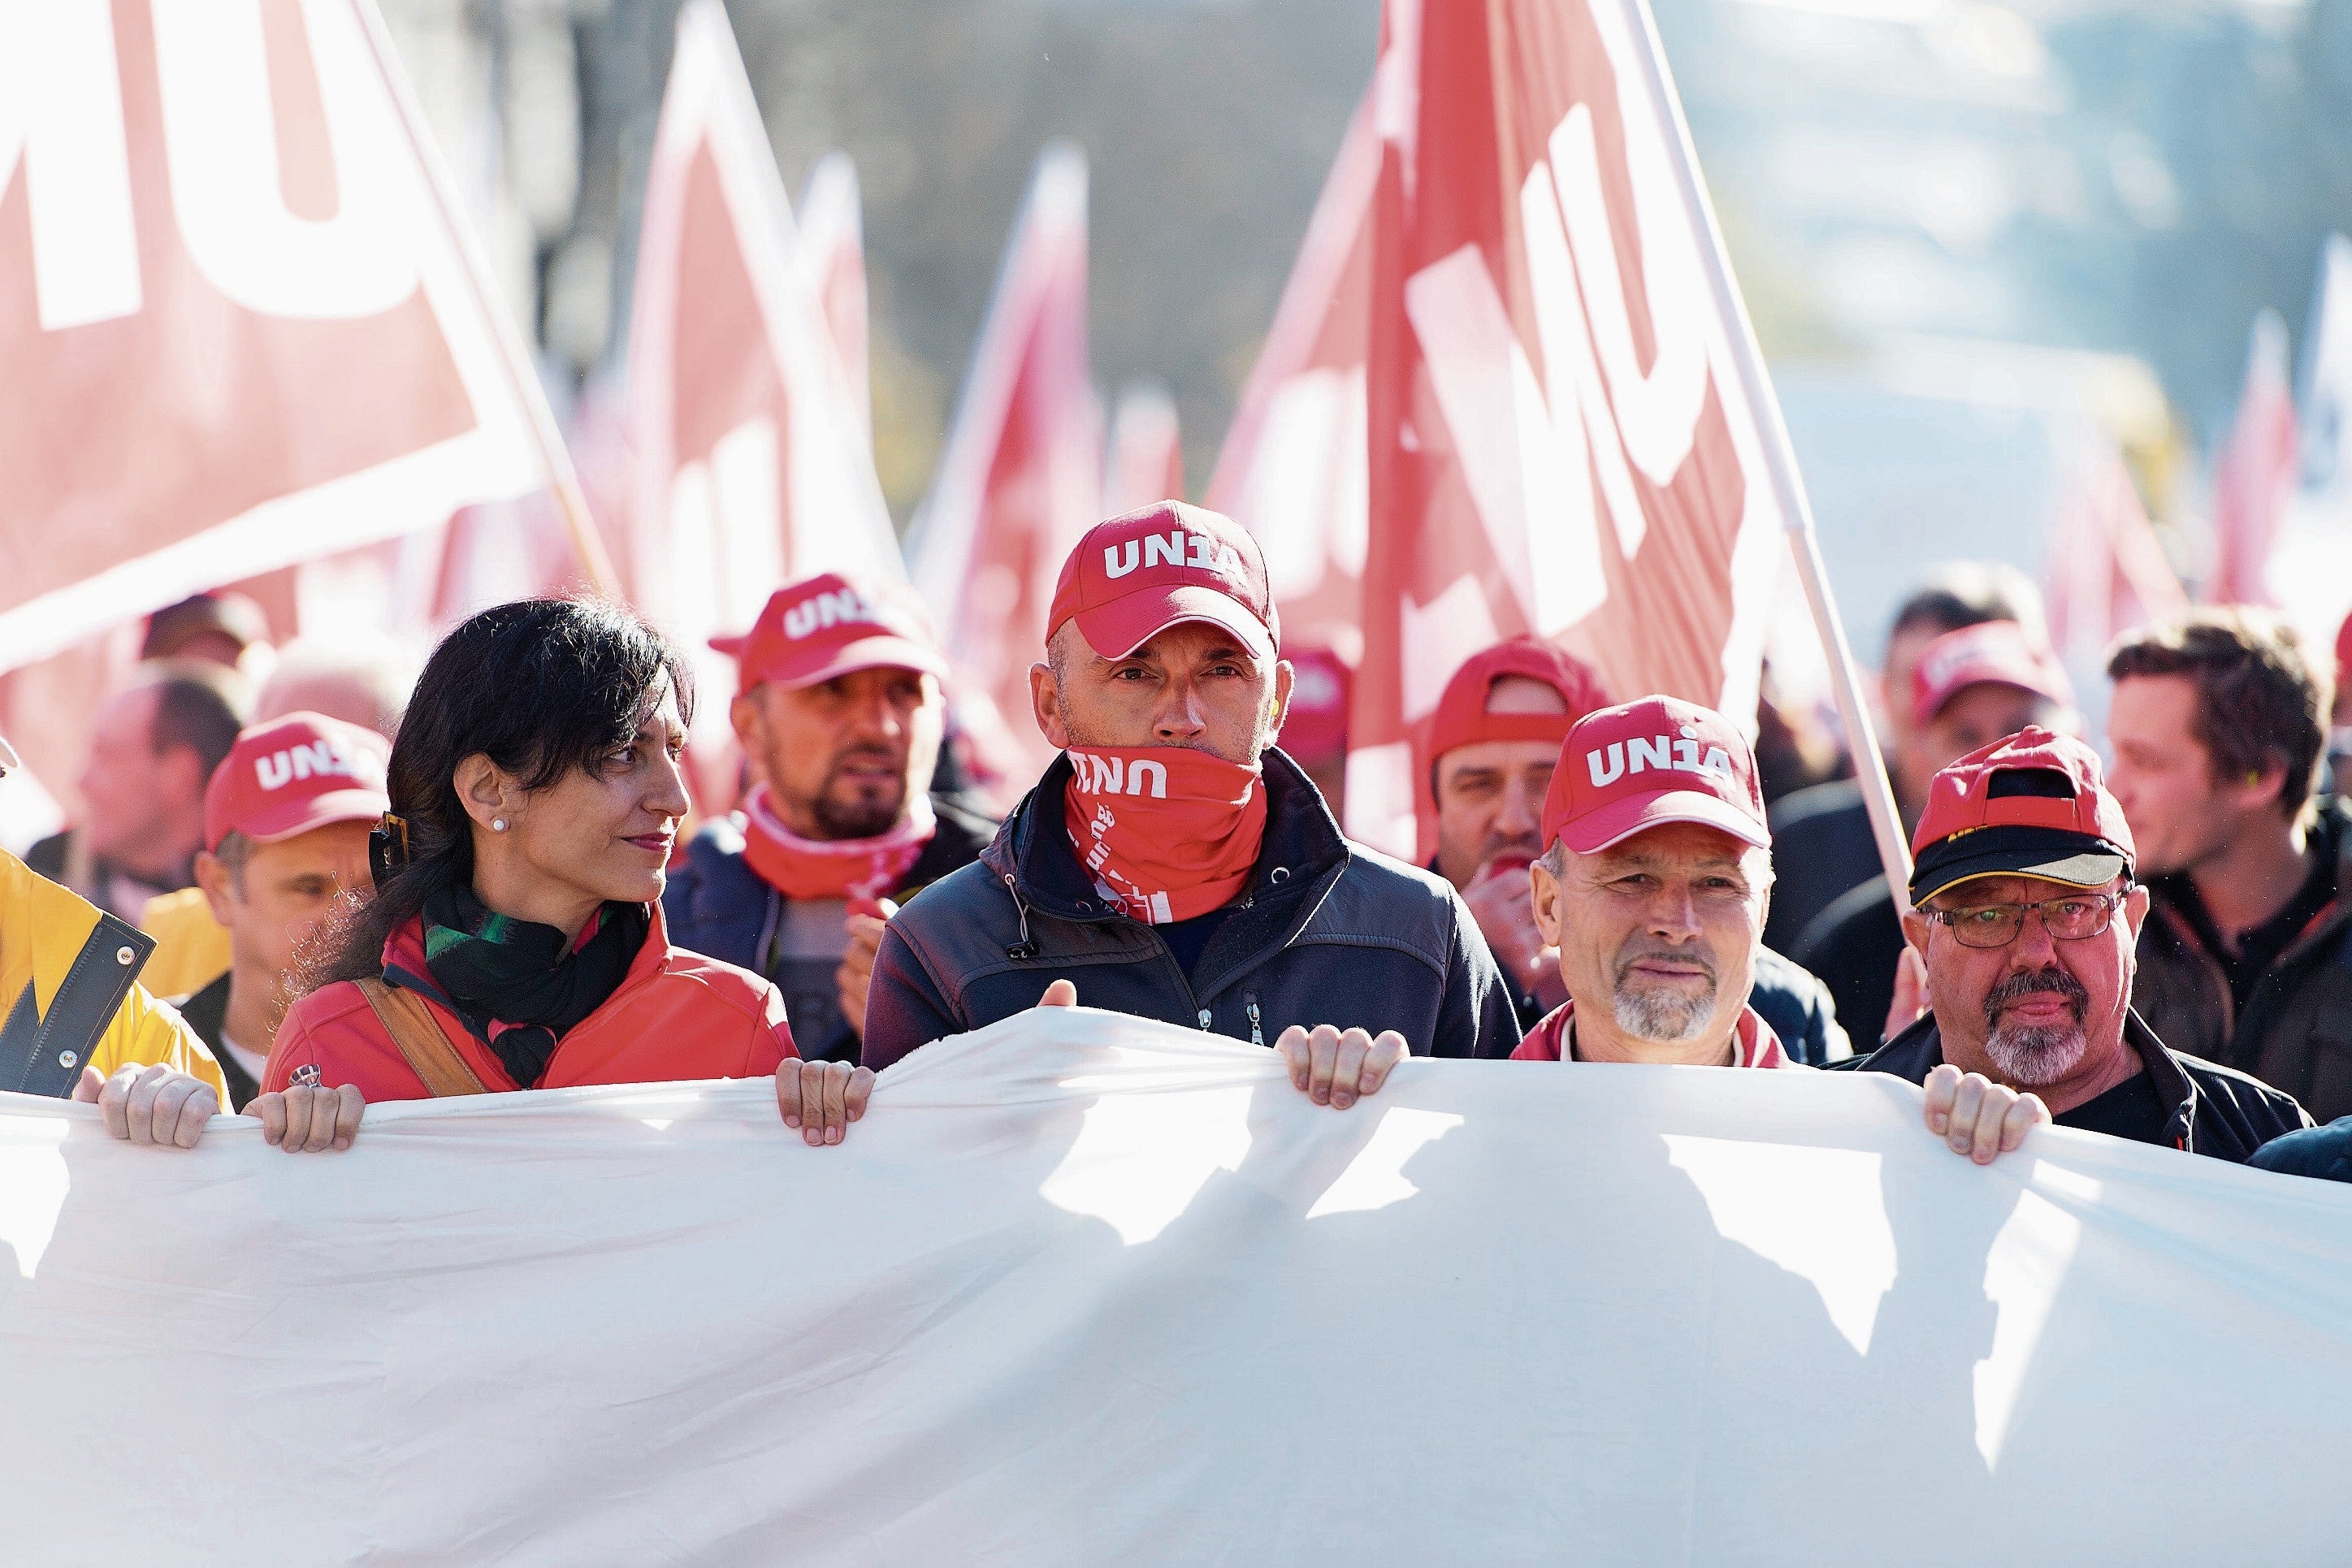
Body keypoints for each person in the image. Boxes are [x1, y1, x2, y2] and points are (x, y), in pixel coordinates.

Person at [862, 501, 1520, 1099]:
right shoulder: (943, 945)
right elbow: (906, 1214)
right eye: (1134, 673)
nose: (1182, 716)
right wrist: (1006, 1129)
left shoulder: (1415, 929)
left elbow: (1500, 1187)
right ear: (1049, 705)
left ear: (1277, 703)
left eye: (1222, 670)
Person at [232, 599, 868, 1154]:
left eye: (671, 750)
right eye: (625, 753)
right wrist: (252, 1144)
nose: (674, 798)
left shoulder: (735, 1020)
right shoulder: (335, 1041)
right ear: (488, 791)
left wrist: (840, 1119)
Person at [1838, 727, 2311, 1163]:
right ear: (1922, 942)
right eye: (1987, 916)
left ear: (2133, 920)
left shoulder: (2264, 1146)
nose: (2036, 953)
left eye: (2073, 909)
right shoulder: (1832, 1137)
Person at [1427, 639, 1848, 1063]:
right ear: (1549, 903)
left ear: (1762, 908)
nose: (1513, 820)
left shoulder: (1788, 1006)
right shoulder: (1389, 979)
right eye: (1633, 879)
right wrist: (1453, 973)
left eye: (1545, 781)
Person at [663, 574, 998, 1063]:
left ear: (941, 712)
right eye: (833, 692)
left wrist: (941, 1041)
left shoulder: (1018, 900)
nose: (879, 727)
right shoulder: (663, 922)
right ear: (750, 726)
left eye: (905, 692)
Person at [2104, 610, 2352, 1117]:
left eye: (2145, 761)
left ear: (2259, 778)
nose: (2112, 787)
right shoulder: (2095, 921)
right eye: (2115, 754)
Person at [1795, 617, 2073, 1045]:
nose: (1995, 757)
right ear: (1920, 755)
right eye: (1965, 736)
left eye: (2021, 729)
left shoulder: (2135, 914)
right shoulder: (1850, 950)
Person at [1765, 564, 2046, 955]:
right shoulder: (1799, 846)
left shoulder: (2075, 855)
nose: (1931, 703)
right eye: (1919, 676)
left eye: (1978, 680)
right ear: (1882, 687)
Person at [171, 713, 390, 1110]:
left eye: (372, 891)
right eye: (309, 888)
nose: (349, 919)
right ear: (219, 889)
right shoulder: (150, 1056)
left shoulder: (459, 1056)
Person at [25, 661, 248, 922]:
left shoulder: (249, 903)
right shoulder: (44, 878)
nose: (82, 782)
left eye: (106, 756)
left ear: (178, 774)